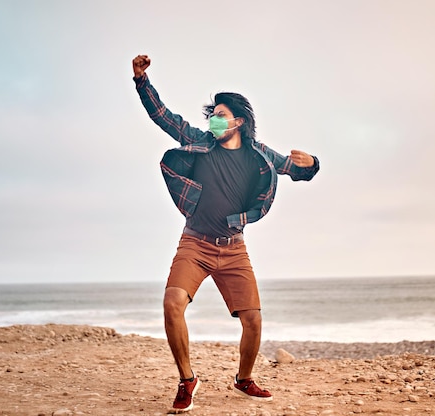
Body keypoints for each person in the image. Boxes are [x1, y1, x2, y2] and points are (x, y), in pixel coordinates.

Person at [132, 54, 320, 413]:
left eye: (220, 115)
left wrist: (312, 164)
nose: (214, 120)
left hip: (234, 248)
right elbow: (163, 116)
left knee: (253, 320)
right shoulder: (201, 142)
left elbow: (294, 171)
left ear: (239, 121)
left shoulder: (258, 155)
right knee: (172, 303)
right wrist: (142, 81)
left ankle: (244, 379)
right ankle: (187, 380)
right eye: (212, 115)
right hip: (195, 242)